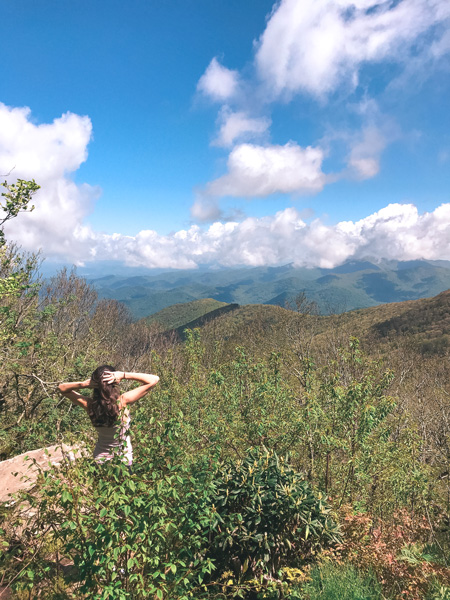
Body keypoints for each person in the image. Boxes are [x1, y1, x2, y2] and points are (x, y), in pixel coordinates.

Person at [58, 365, 159, 465]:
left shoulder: (90, 405)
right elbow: (154, 379)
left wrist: (85, 384)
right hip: (122, 462)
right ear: (115, 382)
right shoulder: (123, 402)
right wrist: (123, 375)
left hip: (99, 461)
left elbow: (62, 388)